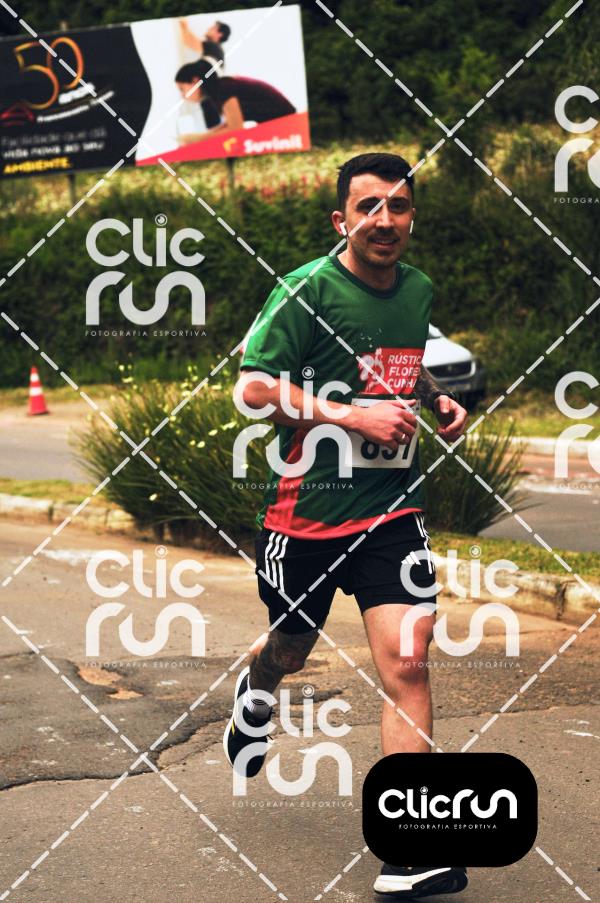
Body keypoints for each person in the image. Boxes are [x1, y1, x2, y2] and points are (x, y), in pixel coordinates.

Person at [223, 152, 469, 898]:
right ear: (342, 220)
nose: (384, 220)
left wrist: (433, 396)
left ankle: (409, 851)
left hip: (391, 511)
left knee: (409, 661)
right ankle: (257, 688)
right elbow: (252, 387)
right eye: (369, 207)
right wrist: (350, 416)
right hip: (304, 519)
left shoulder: (417, 289)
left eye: (398, 206)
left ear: (412, 217)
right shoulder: (306, 289)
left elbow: (394, 363)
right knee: (291, 649)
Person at [174, 59, 296, 144]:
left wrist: (198, 139)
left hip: (288, 125)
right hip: (284, 122)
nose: (182, 96)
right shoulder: (221, 87)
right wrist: (199, 138)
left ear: (195, 81)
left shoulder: (223, 88)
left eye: (182, 89)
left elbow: (235, 129)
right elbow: (230, 124)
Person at [177, 19, 232, 128]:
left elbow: (188, 41)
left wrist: (183, 25)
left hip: (211, 81)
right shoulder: (218, 51)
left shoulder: (212, 45)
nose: (208, 29)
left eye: (212, 28)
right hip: (215, 86)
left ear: (219, 34)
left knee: (211, 116)